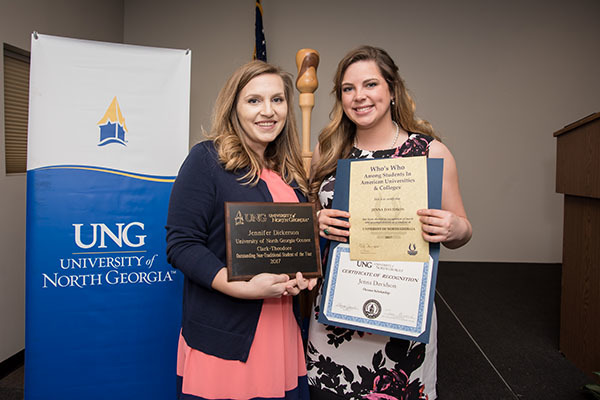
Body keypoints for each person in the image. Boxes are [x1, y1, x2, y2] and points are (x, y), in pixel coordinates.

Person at [306, 45, 472, 400]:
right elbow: (306, 224)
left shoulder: (430, 152)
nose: (359, 96)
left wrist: (453, 228)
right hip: (336, 310)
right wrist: (316, 220)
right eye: (348, 88)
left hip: (401, 316)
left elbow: (463, 229)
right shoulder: (328, 151)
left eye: (370, 84)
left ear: (392, 90)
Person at [166, 60, 317, 400]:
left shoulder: (290, 172)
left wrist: (305, 273)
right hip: (226, 336)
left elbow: (293, 246)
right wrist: (241, 287)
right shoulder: (207, 160)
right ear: (234, 106)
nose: (268, 111)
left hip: (281, 331)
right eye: (254, 100)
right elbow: (182, 245)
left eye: (277, 100)